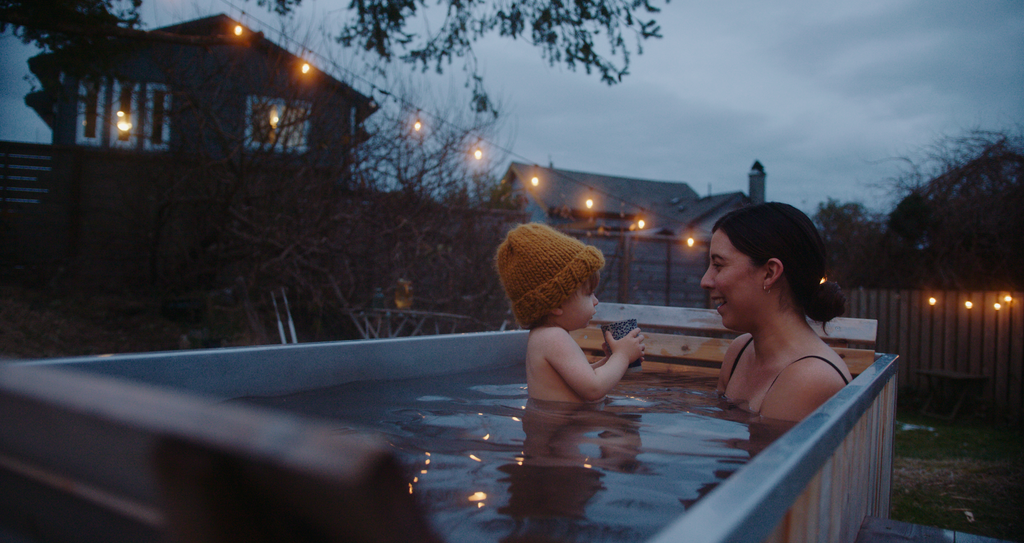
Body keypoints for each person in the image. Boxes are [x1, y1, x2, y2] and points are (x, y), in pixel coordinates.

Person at [700, 202, 852, 422]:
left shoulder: (809, 379)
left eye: (719, 265)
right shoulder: (740, 352)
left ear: (770, 273)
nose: (705, 281)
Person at [496, 223, 645, 403]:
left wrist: (609, 362)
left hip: (559, 425)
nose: (596, 301)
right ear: (556, 303)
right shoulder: (554, 337)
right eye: (588, 294)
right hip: (563, 428)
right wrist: (623, 356)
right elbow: (593, 388)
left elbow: (580, 379)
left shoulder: (544, 336)